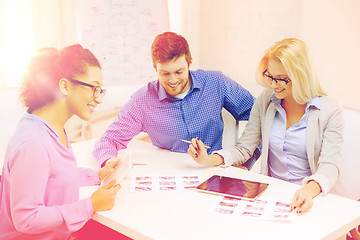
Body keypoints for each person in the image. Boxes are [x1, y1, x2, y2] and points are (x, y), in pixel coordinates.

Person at [188, 38, 344, 214]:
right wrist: (207, 159)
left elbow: (330, 165)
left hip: (311, 198)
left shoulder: (330, 110)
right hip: (273, 195)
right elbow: (244, 148)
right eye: (270, 76)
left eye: (281, 79)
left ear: (301, 75)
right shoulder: (266, 100)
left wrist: (309, 190)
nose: (273, 85)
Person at [0, 44, 121, 240]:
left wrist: (97, 176)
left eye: (100, 90)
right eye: (94, 88)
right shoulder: (34, 142)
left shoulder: (52, 126)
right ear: (65, 86)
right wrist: (90, 205)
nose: (98, 99)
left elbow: (55, 177)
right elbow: (26, 218)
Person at [93, 31, 260, 168]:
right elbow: (108, 140)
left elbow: (260, 117)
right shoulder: (141, 101)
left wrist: (247, 162)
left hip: (214, 170)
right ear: (155, 67)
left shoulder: (216, 82)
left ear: (189, 63)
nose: (172, 80)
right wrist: (110, 162)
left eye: (179, 71)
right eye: (165, 73)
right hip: (170, 175)